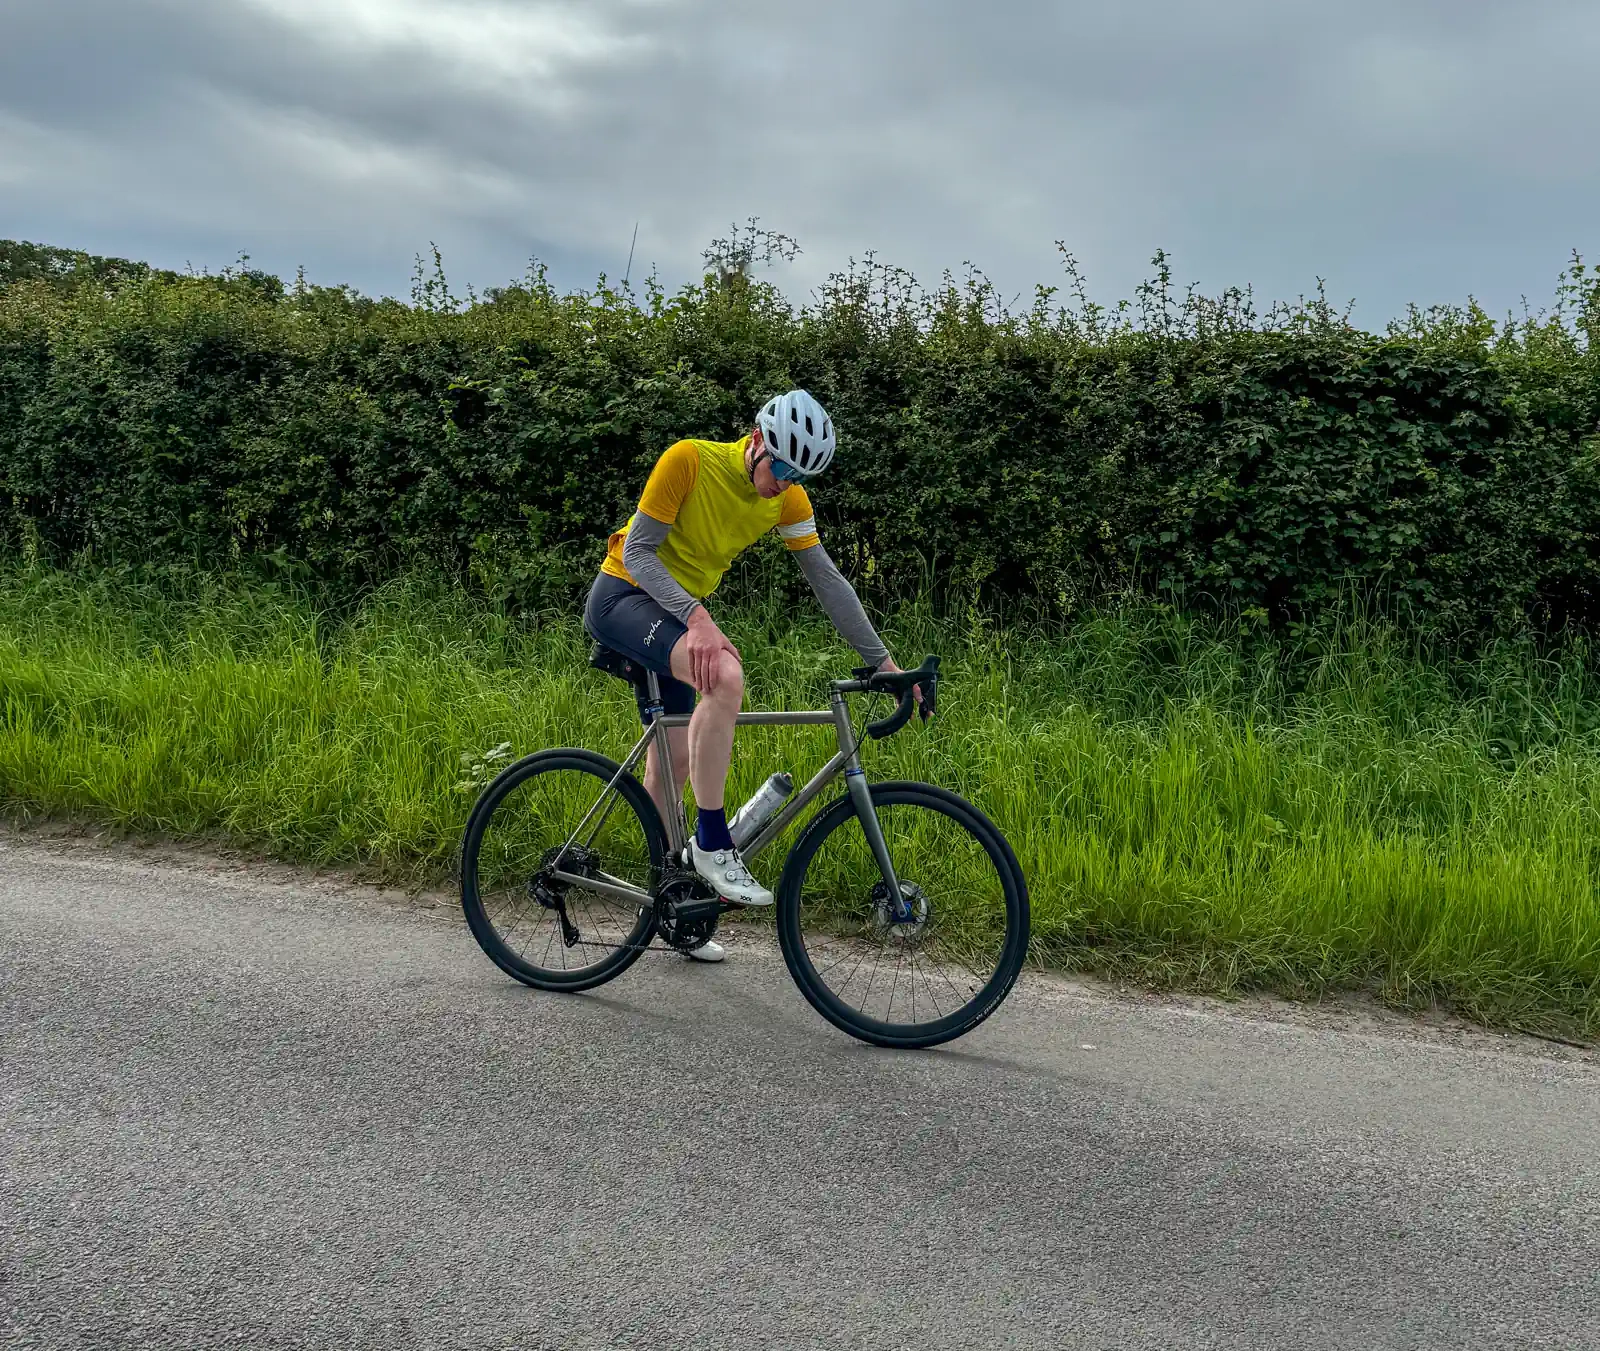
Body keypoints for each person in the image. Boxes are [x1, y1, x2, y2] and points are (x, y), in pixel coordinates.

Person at [583, 390, 915, 963]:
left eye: (799, 474)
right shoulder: (689, 459)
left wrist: (885, 663)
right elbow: (638, 554)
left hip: (673, 614)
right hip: (623, 598)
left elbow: (827, 581)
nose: (785, 482)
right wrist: (699, 617)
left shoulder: (787, 502)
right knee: (726, 678)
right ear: (757, 440)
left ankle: (673, 906)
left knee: (674, 764)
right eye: (782, 466)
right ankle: (712, 843)